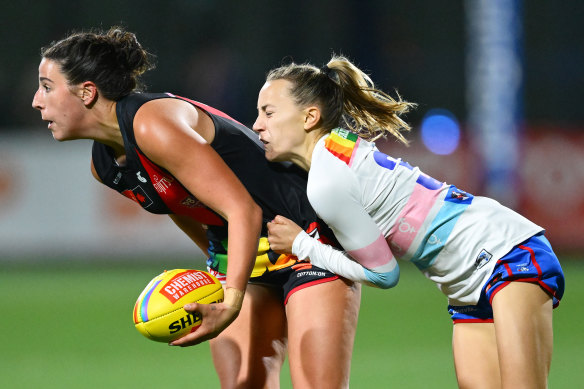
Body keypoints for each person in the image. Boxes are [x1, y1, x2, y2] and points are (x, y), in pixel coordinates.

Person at [32, 28, 361, 389]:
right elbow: (180, 205)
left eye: (47, 86)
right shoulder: (105, 166)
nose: (36, 100)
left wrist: (229, 302)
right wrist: (217, 263)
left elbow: (244, 210)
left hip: (307, 239)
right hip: (245, 250)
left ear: (87, 92)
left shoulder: (152, 123)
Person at [254, 55, 565, 389]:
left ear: (310, 116)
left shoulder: (326, 182)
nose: (257, 124)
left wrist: (302, 245)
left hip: (505, 253)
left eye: (268, 113)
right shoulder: (335, 145)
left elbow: (384, 274)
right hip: (464, 289)